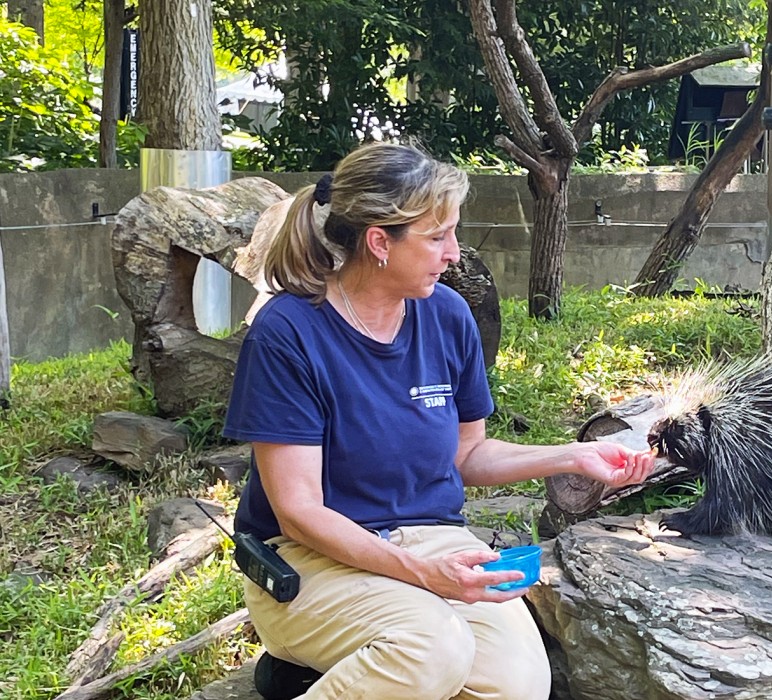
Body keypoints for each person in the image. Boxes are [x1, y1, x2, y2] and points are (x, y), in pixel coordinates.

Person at [222, 141, 655, 700]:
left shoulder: (448, 316)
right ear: (379, 241)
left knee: (517, 682)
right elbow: (300, 512)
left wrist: (575, 457)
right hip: (307, 559)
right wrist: (422, 576)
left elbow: (465, 455)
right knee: (433, 649)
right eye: (436, 236)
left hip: (432, 538)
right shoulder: (287, 333)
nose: (454, 253)